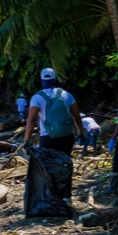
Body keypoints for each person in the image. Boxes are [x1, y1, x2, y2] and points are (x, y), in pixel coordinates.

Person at [23, 67, 84, 200]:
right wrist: (81, 132)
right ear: (54, 79)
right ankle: (67, 197)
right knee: (66, 163)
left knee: (48, 166)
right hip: (67, 136)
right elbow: (77, 116)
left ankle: (53, 197)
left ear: (41, 80)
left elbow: (31, 120)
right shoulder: (66, 95)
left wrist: (26, 141)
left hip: (48, 137)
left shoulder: (37, 97)